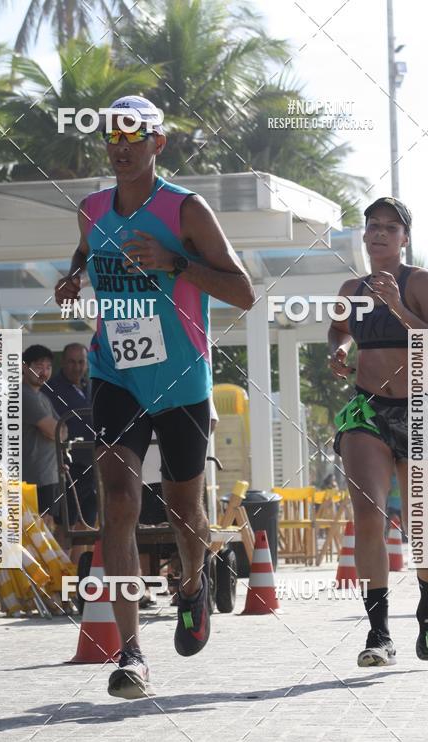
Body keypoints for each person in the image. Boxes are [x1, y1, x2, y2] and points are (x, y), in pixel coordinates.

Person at [54, 96, 254, 699]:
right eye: (112, 138)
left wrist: (176, 263)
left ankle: (193, 584)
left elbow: (243, 291)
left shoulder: (185, 209)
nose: (121, 147)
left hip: (181, 380)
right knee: (118, 501)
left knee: (183, 510)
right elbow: (83, 259)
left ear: (156, 144)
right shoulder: (91, 210)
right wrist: (70, 282)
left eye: (133, 138)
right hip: (114, 374)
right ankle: (131, 653)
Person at [329, 196, 428, 667]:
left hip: (421, 407)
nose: (380, 233)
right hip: (367, 410)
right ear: (364, 235)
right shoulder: (351, 286)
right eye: (372, 226)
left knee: (423, 528)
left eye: (390, 227)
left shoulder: (419, 282)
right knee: (369, 515)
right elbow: (339, 330)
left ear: (405, 238)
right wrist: (341, 349)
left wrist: (399, 308)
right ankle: (379, 632)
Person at [43, 342, 97, 564]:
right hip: (67, 465)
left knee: (88, 521)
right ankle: (60, 573)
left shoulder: (90, 386)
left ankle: (79, 573)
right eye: (72, 362)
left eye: (81, 362)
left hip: (93, 464)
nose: (77, 367)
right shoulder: (51, 388)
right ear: (63, 363)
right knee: (67, 521)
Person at [21, 345, 66, 528]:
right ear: (25, 366)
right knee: (38, 531)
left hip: (49, 475)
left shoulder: (42, 397)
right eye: (39, 366)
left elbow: (63, 431)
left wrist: (57, 431)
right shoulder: (23, 395)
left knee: (49, 527)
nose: (44, 372)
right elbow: (54, 431)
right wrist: (56, 431)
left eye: (48, 367)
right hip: (35, 477)